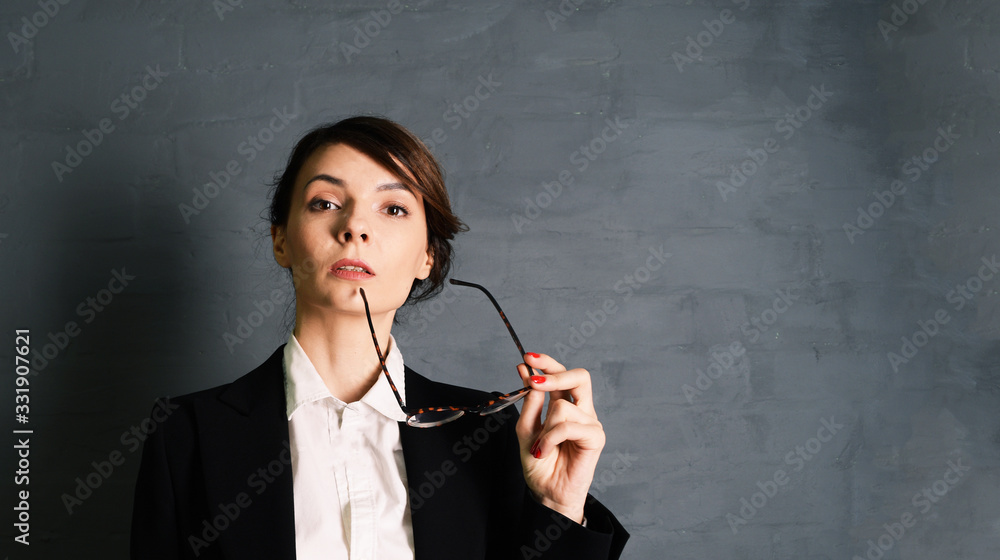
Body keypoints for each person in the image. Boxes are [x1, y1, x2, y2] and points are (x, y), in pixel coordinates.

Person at [130, 116, 630, 559]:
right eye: (325, 202)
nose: (355, 227)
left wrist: (561, 507)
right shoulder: (186, 437)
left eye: (392, 209)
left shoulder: (489, 437)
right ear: (281, 239)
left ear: (427, 257)